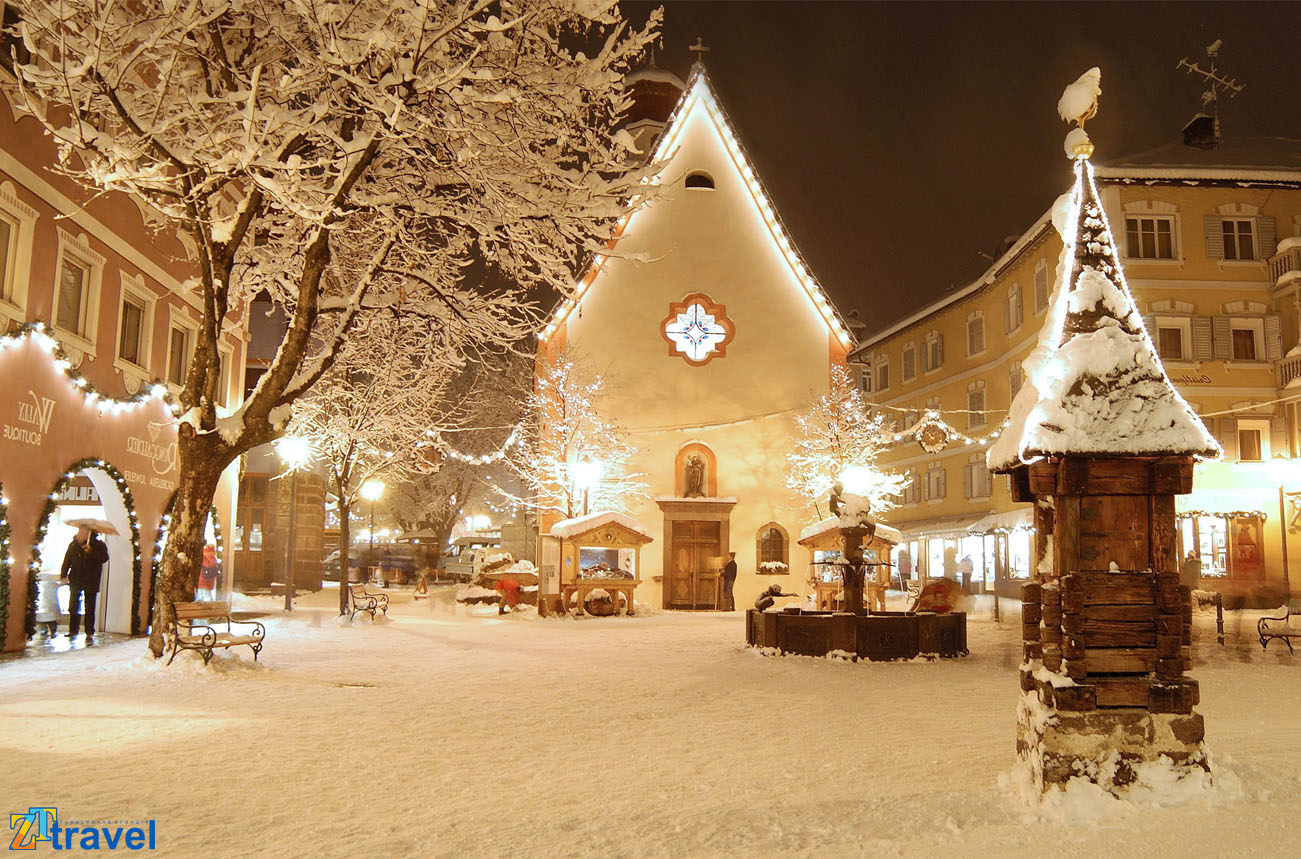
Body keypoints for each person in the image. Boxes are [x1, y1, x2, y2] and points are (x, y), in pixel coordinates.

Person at [60, 526, 109, 641]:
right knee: (73, 606)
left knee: (90, 607)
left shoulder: (98, 545)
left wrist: (91, 552)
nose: (80, 534)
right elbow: (67, 560)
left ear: (88, 534)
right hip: (76, 578)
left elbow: (104, 558)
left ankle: (89, 632)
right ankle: (73, 630)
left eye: (83, 532)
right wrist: (63, 574)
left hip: (91, 579)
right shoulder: (73, 545)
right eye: (79, 532)